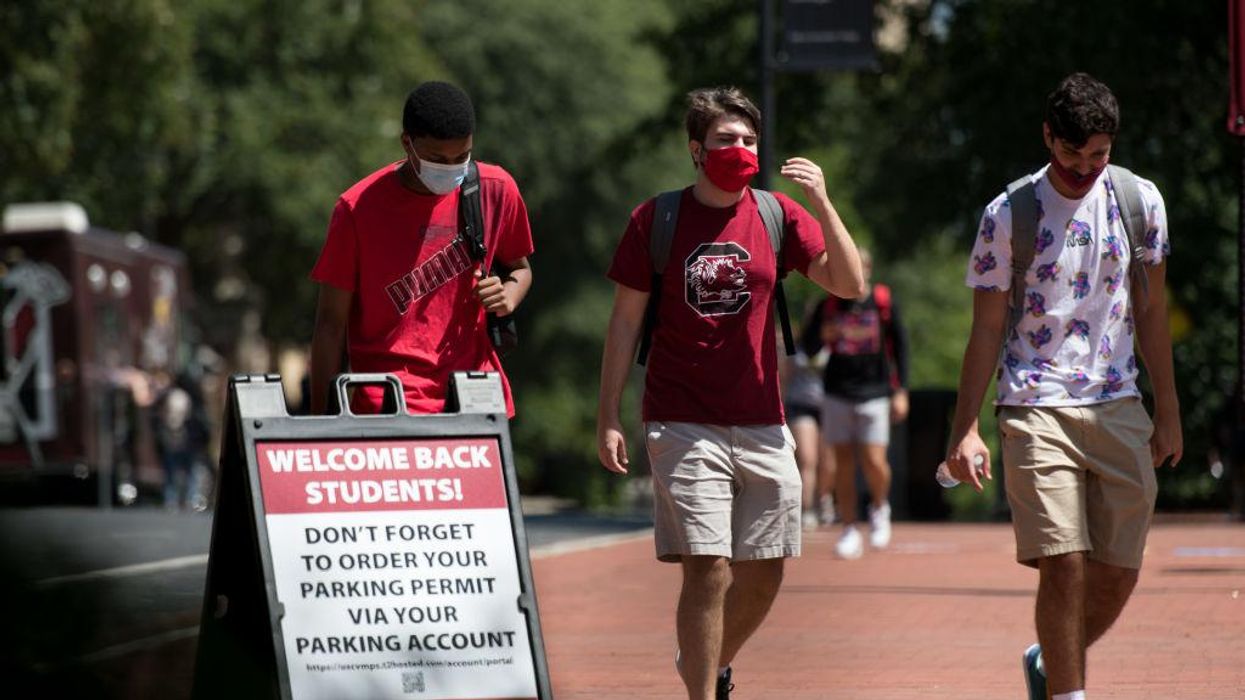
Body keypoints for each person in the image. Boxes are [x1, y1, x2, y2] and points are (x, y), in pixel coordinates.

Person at [596, 86, 864, 700]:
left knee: (766, 569)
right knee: (709, 567)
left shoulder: (777, 215)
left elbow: (848, 283)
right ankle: (701, 691)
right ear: (697, 150)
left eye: (748, 140)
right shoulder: (656, 219)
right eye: (724, 140)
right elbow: (623, 324)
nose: (739, 149)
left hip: (763, 419)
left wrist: (821, 201)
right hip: (680, 417)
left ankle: (709, 662)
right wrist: (608, 414)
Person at [944, 73, 1182, 700]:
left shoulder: (1139, 203)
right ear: (1048, 137)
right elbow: (986, 330)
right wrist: (964, 427)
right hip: (1033, 401)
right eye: (1071, 153)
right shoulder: (1009, 214)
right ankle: (1069, 694)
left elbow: (1153, 314)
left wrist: (1170, 414)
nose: (1083, 168)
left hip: (1118, 399)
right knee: (1064, 560)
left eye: (1097, 154)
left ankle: (1048, 664)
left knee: (1119, 571)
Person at [308, 81, 533, 417]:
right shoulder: (356, 210)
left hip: (474, 397)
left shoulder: (495, 189)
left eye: (461, 156)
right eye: (436, 158)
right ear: (407, 144)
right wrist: (319, 425)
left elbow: (521, 268)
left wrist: (508, 296)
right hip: (387, 403)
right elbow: (329, 325)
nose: (450, 167)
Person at [809, 249, 909, 559]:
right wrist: (821, 336)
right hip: (837, 391)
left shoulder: (882, 303)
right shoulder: (826, 305)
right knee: (843, 464)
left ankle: (880, 506)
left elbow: (901, 347)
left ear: (866, 268)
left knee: (873, 459)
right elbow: (806, 347)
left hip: (875, 391)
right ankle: (849, 527)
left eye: (858, 266)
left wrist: (901, 390)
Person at [786, 303, 836, 529]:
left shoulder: (835, 344)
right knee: (807, 458)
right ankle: (806, 509)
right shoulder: (794, 343)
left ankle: (824, 499)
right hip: (800, 405)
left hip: (829, 407)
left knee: (828, 463)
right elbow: (784, 376)